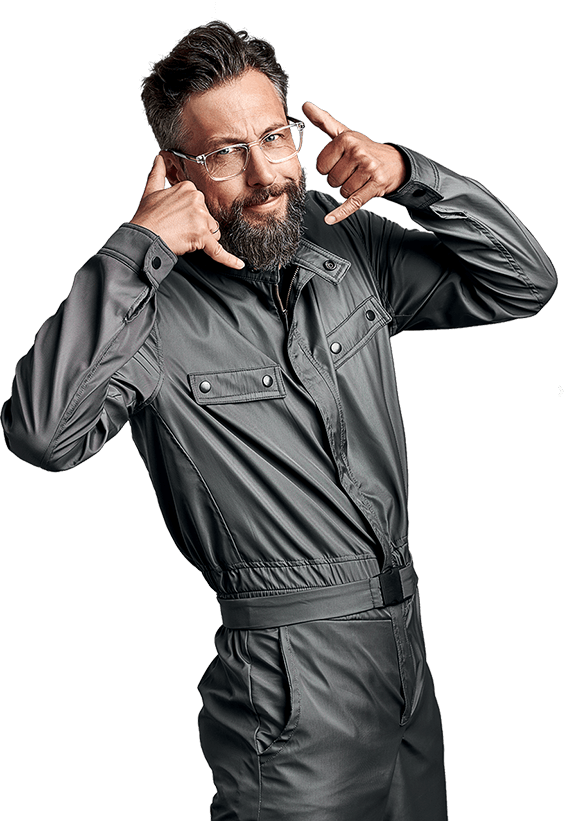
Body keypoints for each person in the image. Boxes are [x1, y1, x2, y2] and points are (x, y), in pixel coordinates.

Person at [1, 19, 556, 821]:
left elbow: (522, 282)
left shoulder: (346, 244)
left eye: (274, 138)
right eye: (227, 153)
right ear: (176, 173)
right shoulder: (147, 315)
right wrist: (133, 250)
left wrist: (409, 176)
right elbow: (41, 434)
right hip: (292, 688)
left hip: (409, 652)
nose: (265, 176)